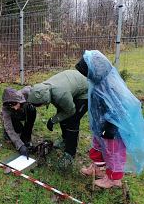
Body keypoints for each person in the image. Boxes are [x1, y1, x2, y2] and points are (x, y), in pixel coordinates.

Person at [75, 50, 144, 188]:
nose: (86, 77)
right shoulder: (98, 82)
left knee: (113, 153)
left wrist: (110, 128)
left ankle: (114, 179)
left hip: (112, 129)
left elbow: (118, 109)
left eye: (86, 73)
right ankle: (98, 168)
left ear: (94, 71)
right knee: (97, 146)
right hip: (100, 125)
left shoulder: (110, 86)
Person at [27, 70, 88, 169]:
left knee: (73, 120)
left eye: (40, 105)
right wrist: (56, 118)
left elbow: (70, 111)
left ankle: (70, 154)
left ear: (45, 100)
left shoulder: (60, 95)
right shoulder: (45, 88)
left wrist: (53, 120)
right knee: (63, 116)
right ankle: (65, 140)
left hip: (85, 92)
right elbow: (62, 109)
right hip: (70, 84)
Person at [1, 87, 36, 159]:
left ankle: (26, 138)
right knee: (16, 131)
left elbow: (33, 90)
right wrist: (20, 146)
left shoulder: (26, 93)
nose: (15, 108)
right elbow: (9, 128)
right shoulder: (5, 109)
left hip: (23, 113)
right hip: (14, 118)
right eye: (11, 106)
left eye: (15, 104)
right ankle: (9, 133)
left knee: (32, 109)